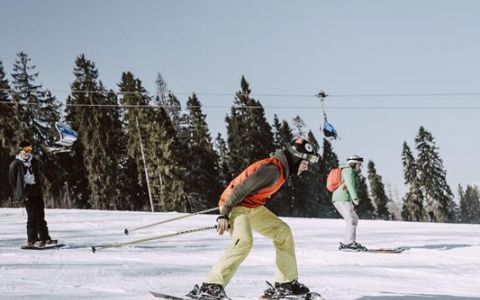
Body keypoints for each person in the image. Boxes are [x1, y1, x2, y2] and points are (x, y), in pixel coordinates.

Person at [187, 138, 320, 300]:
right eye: (305, 161)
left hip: (251, 206)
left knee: (282, 232)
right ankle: (211, 287)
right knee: (244, 241)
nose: (306, 166)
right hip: (235, 204)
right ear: (295, 158)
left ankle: (285, 284)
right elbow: (240, 189)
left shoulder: (281, 170)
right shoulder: (273, 170)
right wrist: (224, 214)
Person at [9, 140, 54, 247]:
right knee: (32, 216)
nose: (27, 151)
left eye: (29, 149)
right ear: (21, 150)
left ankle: (44, 238)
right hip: (26, 192)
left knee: (41, 215)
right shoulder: (15, 164)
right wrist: (19, 193)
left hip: (37, 191)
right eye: (25, 149)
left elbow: (40, 175)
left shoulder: (35, 161)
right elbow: (13, 180)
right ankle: (32, 240)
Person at [332, 155, 367, 251]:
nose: (360, 167)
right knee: (351, 219)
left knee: (353, 218)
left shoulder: (348, 171)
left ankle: (349, 242)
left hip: (341, 199)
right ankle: (349, 243)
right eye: (358, 164)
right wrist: (355, 198)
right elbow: (350, 185)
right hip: (342, 198)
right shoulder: (348, 171)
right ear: (353, 164)